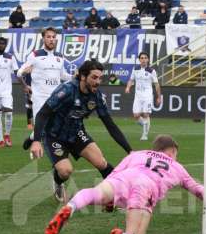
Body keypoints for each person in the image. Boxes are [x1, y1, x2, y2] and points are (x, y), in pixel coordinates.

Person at [44, 135, 206, 234]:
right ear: (173, 151)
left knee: (95, 193)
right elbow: (201, 192)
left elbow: (114, 174)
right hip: (147, 187)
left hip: (124, 178)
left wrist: (109, 199)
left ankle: (70, 207)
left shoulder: (137, 154)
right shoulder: (177, 166)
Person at [29, 60, 133, 203]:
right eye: (94, 77)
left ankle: (119, 196)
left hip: (76, 132)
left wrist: (130, 151)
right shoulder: (66, 91)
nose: (98, 82)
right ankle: (58, 182)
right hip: (54, 136)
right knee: (65, 171)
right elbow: (42, 114)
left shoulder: (96, 97)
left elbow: (110, 125)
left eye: (100, 78)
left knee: (101, 162)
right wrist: (36, 141)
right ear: (83, 77)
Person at [17, 27, 72, 165]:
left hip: (57, 99)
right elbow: (18, 73)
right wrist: (24, 80)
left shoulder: (60, 56)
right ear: (43, 38)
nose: (51, 39)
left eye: (53, 37)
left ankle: (32, 137)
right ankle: (38, 144)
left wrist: (76, 77)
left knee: (56, 130)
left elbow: (63, 75)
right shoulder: (35, 55)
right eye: (48, 37)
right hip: (40, 99)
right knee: (44, 130)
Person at [125, 52, 161, 141]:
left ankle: (144, 135)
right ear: (139, 59)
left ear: (148, 59)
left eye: (145, 58)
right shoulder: (135, 69)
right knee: (136, 115)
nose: (143, 59)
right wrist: (128, 87)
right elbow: (131, 80)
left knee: (145, 114)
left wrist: (159, 97)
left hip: (147, 96)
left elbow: (156, 84)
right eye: (142, 58)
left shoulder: (152, 71)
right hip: (138, 96)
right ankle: (146, 124)